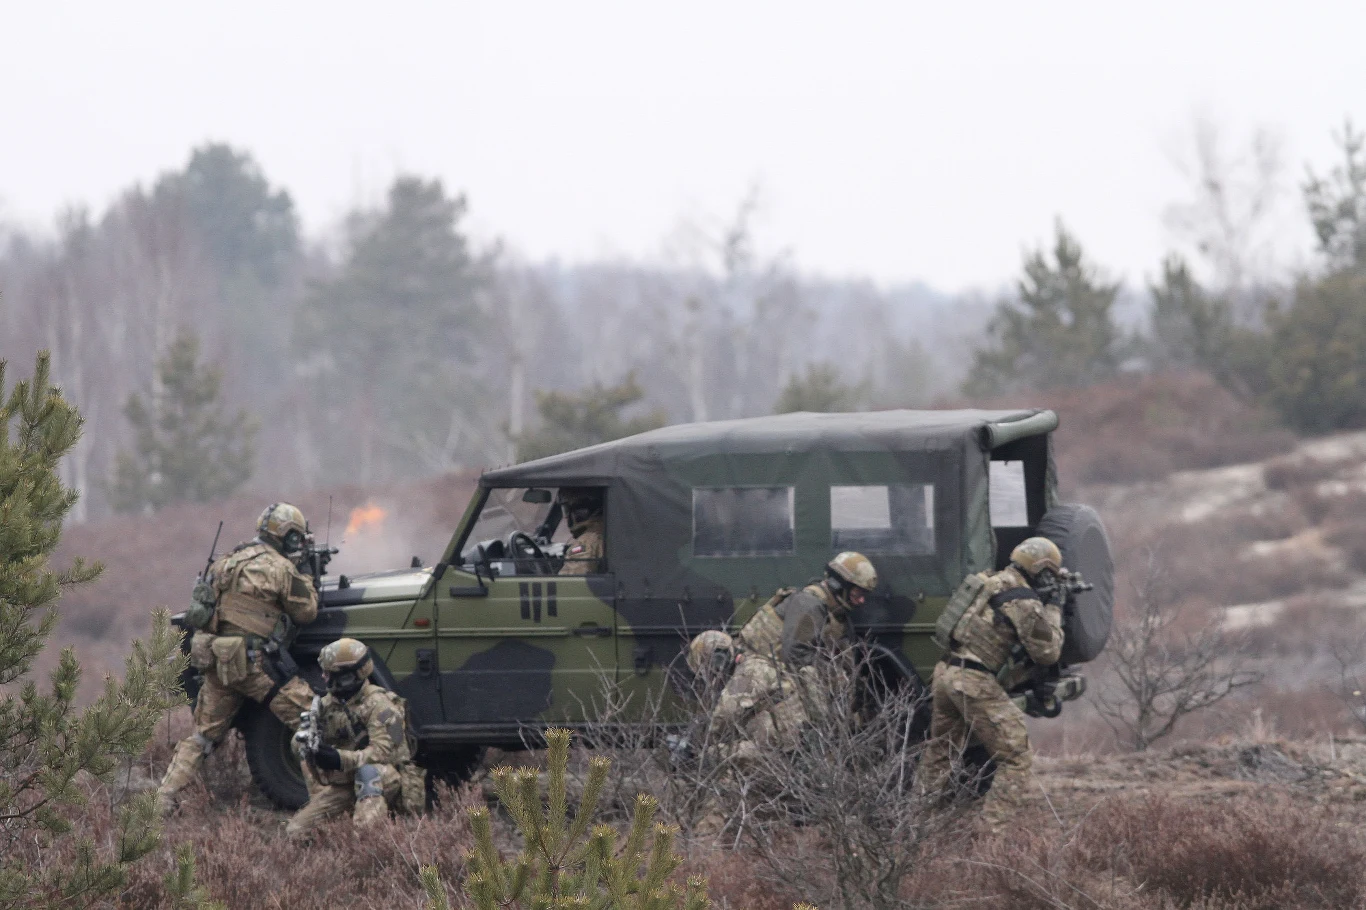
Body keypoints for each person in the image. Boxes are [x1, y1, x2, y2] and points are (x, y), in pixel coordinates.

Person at [157, 503, 320, 814]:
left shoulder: (226, 562)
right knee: (309, 718)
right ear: (285, 537)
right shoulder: (281, 569)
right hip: (255, 666)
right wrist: (307, 574)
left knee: (203, 737)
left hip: (218, 663)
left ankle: (162, 798)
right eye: (295, 538)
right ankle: (323, 797)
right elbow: (307, 611)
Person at [918, 536, 1066, 832]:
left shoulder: (990, 581)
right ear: (1042, 571)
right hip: (973, 682)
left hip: (946, 674)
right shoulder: (1022, 599)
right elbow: (1048, 652)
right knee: (1016, 759)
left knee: (940, 754)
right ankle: (988, 834)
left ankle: (916, 826)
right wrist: (1054, 608)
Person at [286, 638, 424, 839]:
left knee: (368, 773)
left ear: (349, 676)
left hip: (388, 777)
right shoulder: (327, 705)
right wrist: (306, 745)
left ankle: (369, 840)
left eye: (329, 673)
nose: (323, 677)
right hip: (347, 781)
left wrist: (339, 759)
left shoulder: (381, 706)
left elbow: (384, 753)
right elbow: (296, 745)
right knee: (296, 832)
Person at [557, 487, 605, 575]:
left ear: (582, 511)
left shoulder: (587, 541)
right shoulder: (604, 531)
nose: (567, 516)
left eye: (567, 510)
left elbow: (569, 584)